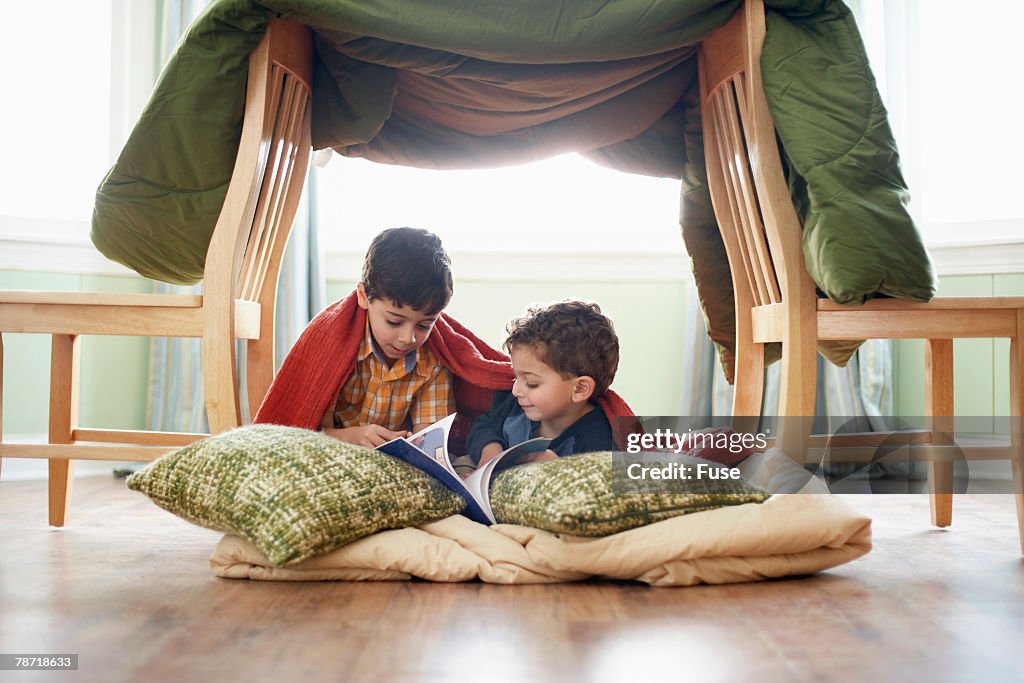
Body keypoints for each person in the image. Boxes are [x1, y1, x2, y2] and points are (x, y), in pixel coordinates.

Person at [319, 227, 456, 447]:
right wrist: (351, 437)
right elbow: (307, 431)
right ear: (364, 296)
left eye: (424, 325)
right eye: (394, 321)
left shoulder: (432, 363)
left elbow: (430, 444)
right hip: (335, 449)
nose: (407, 338)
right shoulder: (332, 346)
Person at [466, 300, 619, 467]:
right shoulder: (513, 407)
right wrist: (489, 448)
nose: (516, 391)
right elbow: (484, 426)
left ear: (579, 389)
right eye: (516, 377)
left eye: (531, 383)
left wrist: (558, 471)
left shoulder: (600, 442)